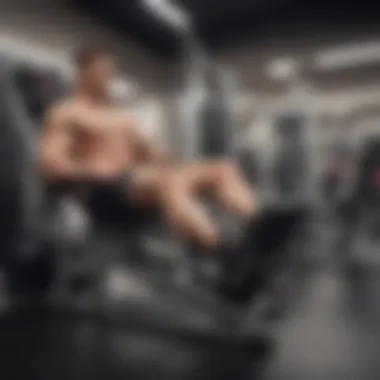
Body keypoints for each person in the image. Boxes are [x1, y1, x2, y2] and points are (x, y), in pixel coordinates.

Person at [38, 43, 257, 251]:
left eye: (110, 71)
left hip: (135, 180)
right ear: (82, 72)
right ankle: (216, 247)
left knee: (221, 168)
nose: (107, 77)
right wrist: (92, 171)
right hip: (103, 188)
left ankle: (256, 229)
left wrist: (169, 158)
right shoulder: (67, 112)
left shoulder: (120, 117)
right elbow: (51, 165)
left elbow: (149, 153)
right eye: (101, 70)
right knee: (170, 183)